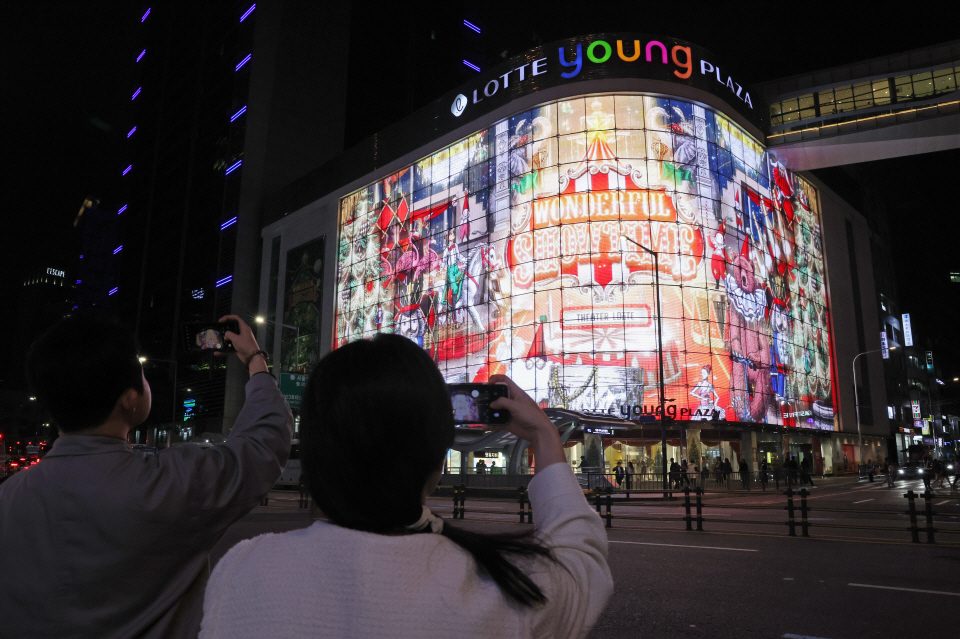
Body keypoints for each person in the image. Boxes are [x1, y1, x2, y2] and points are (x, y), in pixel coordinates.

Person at [199, 334, 613, 638]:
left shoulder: (242, 568)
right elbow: (582, 556)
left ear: (314, 454)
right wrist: (544, 434)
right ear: (437, 460)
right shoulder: (508, 595)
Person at [0, 313, 292, 638]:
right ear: (129, 397)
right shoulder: (169, 484)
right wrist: (254, 359)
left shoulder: (8, 497)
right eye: (143, 374)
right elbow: (262, 444)